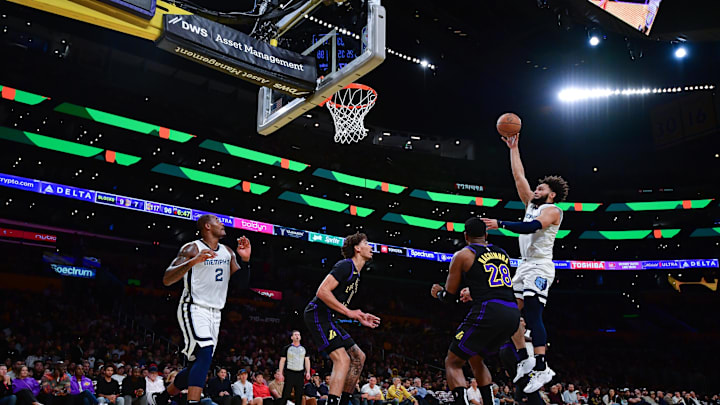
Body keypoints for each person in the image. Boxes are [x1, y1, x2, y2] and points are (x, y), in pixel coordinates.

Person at [481, 134, 568, 393]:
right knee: (510, 313)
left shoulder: (553, 211)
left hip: (541, 266)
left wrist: (501, 224)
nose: (536, 190)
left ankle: (542, 367)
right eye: (537, 188)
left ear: (552, 195)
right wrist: (514, 148)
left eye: (541, 189)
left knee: (532, 312)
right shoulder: (532, 204)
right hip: (524, 265)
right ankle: (525, 358)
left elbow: (532, 227)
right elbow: (519, 177)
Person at [430, 217, 521, 405]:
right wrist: (474, 292)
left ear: (465, 236)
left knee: (453, 361)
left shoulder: (463, 255)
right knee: (476, 357)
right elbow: (496, 284)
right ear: (486, 235)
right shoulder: (502, 253)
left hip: (489, 311)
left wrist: (438, 293)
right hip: (512, 313)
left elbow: (449, 297)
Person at [163, 215, 252, 405]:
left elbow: (241, 285)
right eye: (218, 222)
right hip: (194, 307)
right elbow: (167, 279)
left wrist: (245, 260)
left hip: (216, 312)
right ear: (207, 226)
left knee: (200, 363)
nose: (223, 224)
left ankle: (162, 398)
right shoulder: (192, 248)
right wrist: (192, 262)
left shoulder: (227, 251)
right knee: (204, 353)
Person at [303, 233, 380, 405]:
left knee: (359, 357)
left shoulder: (357, 274)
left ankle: (344, 401)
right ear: (357, 248)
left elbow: (342, 303)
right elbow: (322, 291)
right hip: (317, 314)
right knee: (342, 359)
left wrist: (360, 316)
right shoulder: (345, 265)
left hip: (329, 317)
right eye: (366, 243)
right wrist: (349, 312)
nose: (371, 247)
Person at [279, 331, 310, 405]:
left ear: (300, 337)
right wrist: (280, 373)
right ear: (292, 337)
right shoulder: (286, 348)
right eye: (295, 335)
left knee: (299, 394)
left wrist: (308, 372)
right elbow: (282, 361)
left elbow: (307, 360)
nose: (297, 336)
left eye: (298, 335)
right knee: (286, 393)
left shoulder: (304, 348)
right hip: (290, 373)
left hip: (300, 373)